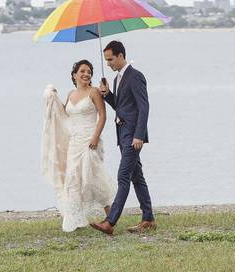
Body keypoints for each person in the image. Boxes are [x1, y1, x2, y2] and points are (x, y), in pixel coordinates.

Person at [89, 40, 156, 235]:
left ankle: (110, 222)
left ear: (120, 56)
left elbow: (144, 107)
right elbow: (122, 107)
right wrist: (108, 94)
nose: (108, 63)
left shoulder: (135, 76)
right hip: (123, 134)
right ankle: (148, 218)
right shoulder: (118, 79)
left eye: (110, 59)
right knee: (137, 176)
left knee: (123, 176)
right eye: (106, 60)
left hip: (133, 136)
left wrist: (139, 135)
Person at [41, 60, 115, 232]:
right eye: (82, 71)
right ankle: (75, 219)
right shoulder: (71, 94)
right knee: (73, 178)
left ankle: (111, 215)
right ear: (74, 75)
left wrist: (95, 138)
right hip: (74, 143)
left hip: (90, 140)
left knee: (92, 177)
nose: (86, 74)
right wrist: (53, 98)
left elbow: (103, 116)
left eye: (89, 71)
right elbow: (65, 114)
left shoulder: (94, 92)